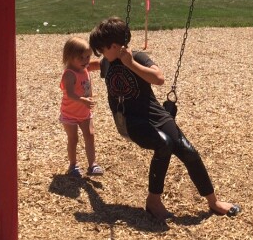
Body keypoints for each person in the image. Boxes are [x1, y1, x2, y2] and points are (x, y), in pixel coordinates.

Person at [89, 17, 241, 219]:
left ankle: (214, 202)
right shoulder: (107, 62)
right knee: (164, 144)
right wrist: (76, 67)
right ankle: (153, 201)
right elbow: (94, 65)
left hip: (155, 114)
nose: (101, 55)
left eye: (102, 49)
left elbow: (159, 79)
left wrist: (131, 63)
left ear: (115, 46)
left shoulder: (137, 58)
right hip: (130, 121)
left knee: (189, 152)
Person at [59, 36, 104, 178]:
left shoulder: (84, 67)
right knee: (73, 139)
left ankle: (92, 165)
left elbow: (98, 65)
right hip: (70, 113)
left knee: (90, 136)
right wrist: (84, 100)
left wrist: (113, 61)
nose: (86, 61)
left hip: (84, 112)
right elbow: (70, 94)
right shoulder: (69, 74)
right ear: (70, 57)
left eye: (88, 57)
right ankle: (73, 165)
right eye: (82, 58)